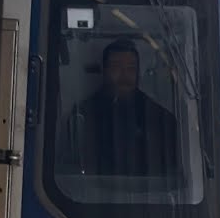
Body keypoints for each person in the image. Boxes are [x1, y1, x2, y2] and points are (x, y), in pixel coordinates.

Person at [60, 38, 180, 178]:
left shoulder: (160, 118)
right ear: (105, 71)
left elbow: (171, 171)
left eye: (131, 68)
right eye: (116, 67)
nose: (124, 75)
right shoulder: (83, 115)